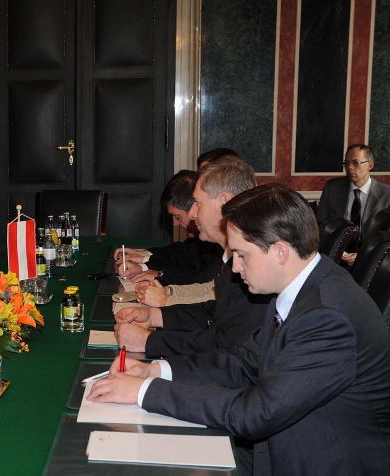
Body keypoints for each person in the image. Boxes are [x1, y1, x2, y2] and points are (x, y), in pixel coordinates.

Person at [88, 183, 390, 475]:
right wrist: (156, 371)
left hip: (314, 461)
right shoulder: (298, 289)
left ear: (280, 251)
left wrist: (145, 392)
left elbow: (257, 413)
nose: (234, 268)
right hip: (281, 447)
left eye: (242, 255)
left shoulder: (326, 316)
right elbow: (241, 362)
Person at [114, 156, 271, 356]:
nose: (193, 213)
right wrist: (154, 316)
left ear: (225, 202)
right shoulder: (236, 256)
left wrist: (148, 340)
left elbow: (225, 345)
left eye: (197, 203)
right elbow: (214, 310)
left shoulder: (256, 265)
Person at [114, 170, 221, 305]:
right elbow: (184, 253)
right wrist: (145, 260)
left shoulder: (219, 240)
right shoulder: (207, 238)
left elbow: (202, 278)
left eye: (177, 217)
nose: (175, 224)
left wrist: (163, 283)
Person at [316, 144, 390, 265]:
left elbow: (387, 236)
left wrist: (363, 255)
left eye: (356, 163)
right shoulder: (332, 188)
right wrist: (340, 251)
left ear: (369, 165)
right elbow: (320, 226)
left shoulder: (386, 195)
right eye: (346, 163)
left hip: (371, 260)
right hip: (336, 254)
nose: (349, 167)